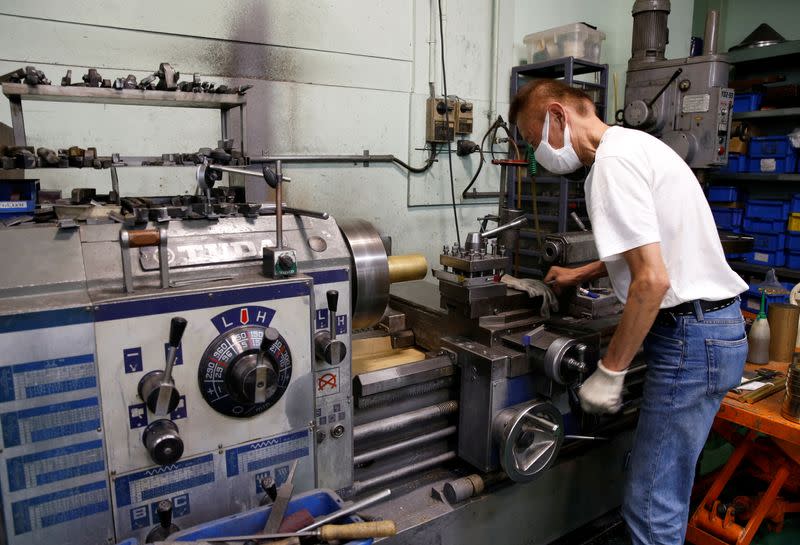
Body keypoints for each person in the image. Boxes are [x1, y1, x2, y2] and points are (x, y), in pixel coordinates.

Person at [508, 79, 748, 545]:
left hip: (689, 340)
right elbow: (650, 241)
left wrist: (611, 370)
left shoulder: (610, 168)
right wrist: (583, 272)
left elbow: (652, 280)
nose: (537, 153)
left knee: (650, 502)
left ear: (558, 116)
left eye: (534, 139)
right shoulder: (637, 145)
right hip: (716, 331)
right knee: (668, 486)